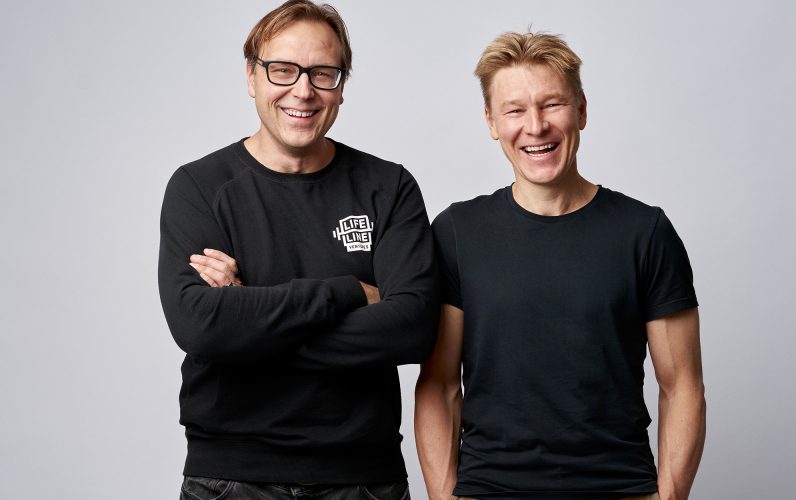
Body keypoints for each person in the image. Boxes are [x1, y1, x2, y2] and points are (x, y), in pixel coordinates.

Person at [158, 1, 438, 498]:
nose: (303, 91)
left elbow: (412, 328)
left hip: (362, 479)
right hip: (230, 479)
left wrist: (248, 323)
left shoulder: (389, 187)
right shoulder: (199, 187)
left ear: (342, 86)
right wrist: (348, 292)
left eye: (323, 73)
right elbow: (199, 325)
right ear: (251, 76)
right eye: (283, 70)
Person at [415, 31, 705, 500]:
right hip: (490, 490)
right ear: (491, 121)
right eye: (514, 110)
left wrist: (668, 497)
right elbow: (439, 384)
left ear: (582, 110)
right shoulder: (456, 233)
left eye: (552, 104)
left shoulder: (645, 232)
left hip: (618, 488)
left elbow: (683, 386)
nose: (535, 126)